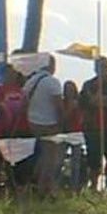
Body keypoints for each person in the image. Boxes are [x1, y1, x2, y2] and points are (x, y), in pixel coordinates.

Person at [80, 57, 107, 189]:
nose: (102, 69)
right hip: (93, 128)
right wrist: (94, 101)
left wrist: (100, 101)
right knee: (94, 161)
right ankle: (93, 186)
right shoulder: (88, 85)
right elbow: (82, 102)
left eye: (104, 66)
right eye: (99, 66)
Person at [24, 54, 64, 197]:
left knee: (41, 156)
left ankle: (37, 183)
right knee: (51, 158)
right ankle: (45, 189)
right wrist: (62, 124)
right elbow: (58, 105)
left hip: (32, 122)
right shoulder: (52, 82)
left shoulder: (30, 82)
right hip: (49, 123)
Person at [62, 80, 85, 191]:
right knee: (60, 160)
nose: (69, 91)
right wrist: (70, 108)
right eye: (67, 89)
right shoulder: (62, 102)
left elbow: (83, 117)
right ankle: (58, 185)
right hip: (65, 132)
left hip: (77, 133)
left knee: (76, 163)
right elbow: (63, 118)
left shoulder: (80, 102)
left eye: (71, 89)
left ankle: (74, 187)